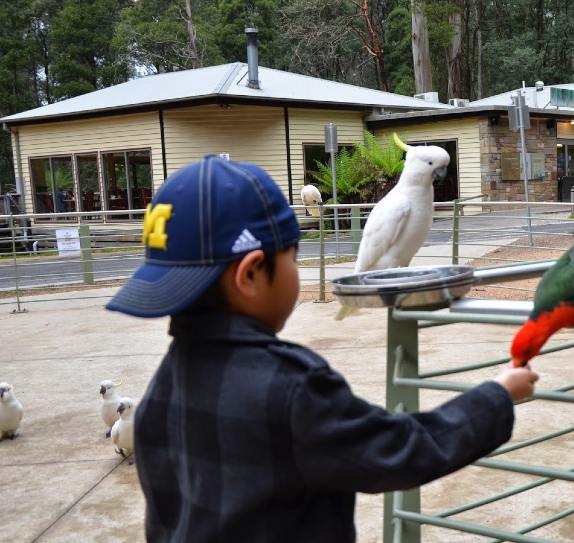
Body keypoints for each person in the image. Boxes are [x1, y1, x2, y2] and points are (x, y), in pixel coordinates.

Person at [106, 156, 539, 542]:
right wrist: (497, 397)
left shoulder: (161, 388)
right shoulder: (292, 388)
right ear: (251, 275)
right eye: (293, 259)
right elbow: (400, 450)